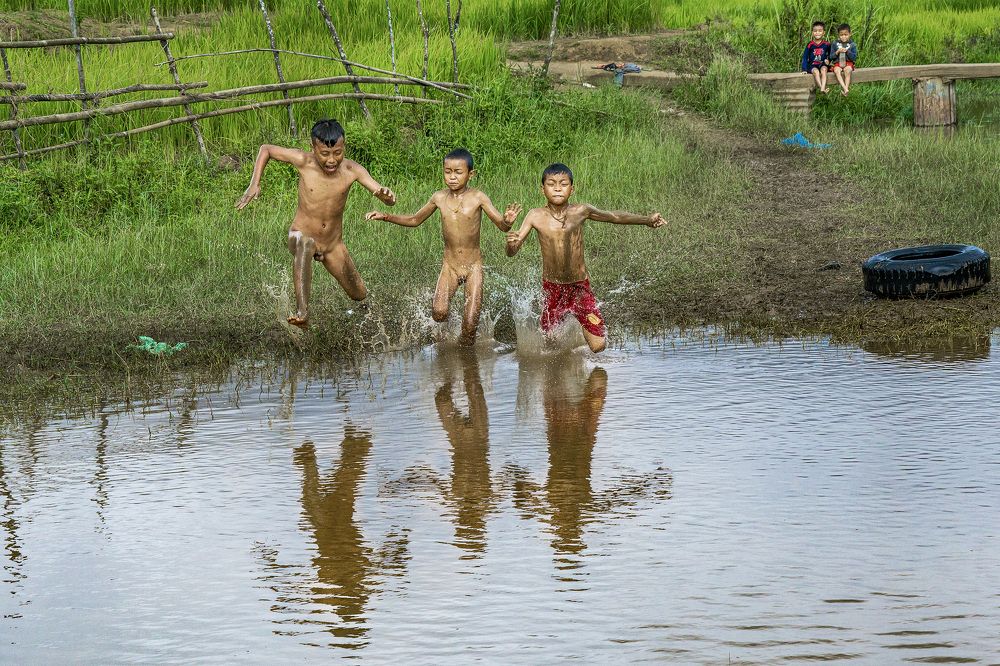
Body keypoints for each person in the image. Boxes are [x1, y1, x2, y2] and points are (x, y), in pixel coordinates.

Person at [235, 119, 396, 329]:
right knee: (305, 244)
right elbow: (266, 149)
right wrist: (254, 184)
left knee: (359, 294)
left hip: (332, 244)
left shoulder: (352, 170)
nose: (332, 160)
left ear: (344, 147)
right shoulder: (304, 161)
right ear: (313, 148)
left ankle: (368, 318)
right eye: (325, 153)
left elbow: (383, 194)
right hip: (300, 233)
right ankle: (302, 312)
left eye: (337, 153)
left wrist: (387, 197)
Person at [504, 163, 665, 353]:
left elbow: (614, 217)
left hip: (579, 288)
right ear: (543, 189)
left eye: (563, 184)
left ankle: (579, 322)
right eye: (551, 184)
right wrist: (511, 244)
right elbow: (511, 252)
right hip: (552, 288)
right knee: (551, 347)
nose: (557, 188)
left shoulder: (581, 211)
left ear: (572, 189)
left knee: (598, 346)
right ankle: (569, 329)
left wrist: (646, 220)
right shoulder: (535, 215)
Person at [365, 148, 521, 344]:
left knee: (470, 327)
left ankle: (466, 356)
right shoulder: (438, 197)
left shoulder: (478, 197)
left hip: (473, 267)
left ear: (470, 174)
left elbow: (502, 226)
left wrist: (507, 221)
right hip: (450, 267)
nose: (452, 177)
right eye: (448, 172)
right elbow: (415, 220)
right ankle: (448, 335)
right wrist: (386, 216)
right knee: (439, 314)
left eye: (458, 172)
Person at [801, 21, 832, 94]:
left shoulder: (827, 44)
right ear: (812, 33)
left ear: (824, 33)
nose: (817, 33)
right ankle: (822, 89)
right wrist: (804, 69)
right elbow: (805, 57)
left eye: (820, 31)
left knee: (824, 70)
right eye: (815, 31)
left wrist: (829, 60)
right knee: (816, 72)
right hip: (812, 65)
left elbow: (831, 54)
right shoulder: (810, 44)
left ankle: (823, 88)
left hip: (822, 64)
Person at [831, 23, 858, 96]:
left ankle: (846, 89)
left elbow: (854, 57)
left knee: (847, 70)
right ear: (838, 35)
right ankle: (845, 88)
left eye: (846, 35)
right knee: (836, 71)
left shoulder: (852, 45)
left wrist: (847, 51)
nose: (843, 37)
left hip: (848, 63)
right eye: (841, 35)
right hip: (838, 63)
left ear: (850, 34)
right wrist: (837, 52)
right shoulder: (834, 44)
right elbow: (831, 57)